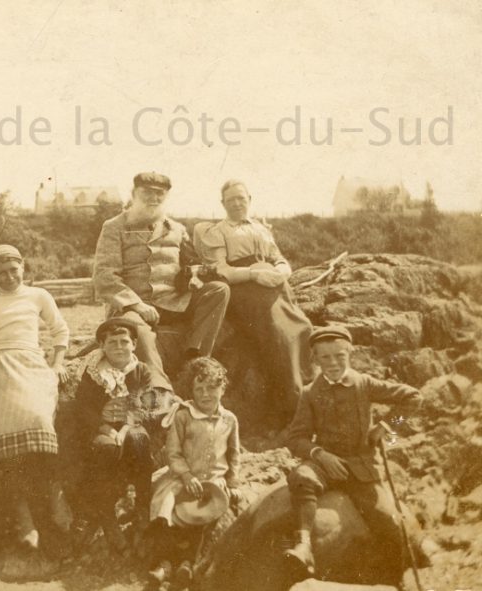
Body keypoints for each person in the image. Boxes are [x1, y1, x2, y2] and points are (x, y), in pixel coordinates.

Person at [284, 325, 421, 585]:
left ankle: (398, 578)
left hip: (361, 467)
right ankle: (303, 545)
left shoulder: (364, 383)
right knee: (301, 477)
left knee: (390, 524)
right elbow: (295, 438)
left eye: (340, 356)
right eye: (325, 357)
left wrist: (386, 426)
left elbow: (413, 397)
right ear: (315, 359)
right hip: (325, 465)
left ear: (350, 353)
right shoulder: (310, 393)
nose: (333, 363)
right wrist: (321, 455)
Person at [93, 172, 230, 395]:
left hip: (173, 302)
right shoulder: (114, 226)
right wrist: (137, 305)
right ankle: (160, 388)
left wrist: (195, 275)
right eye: (147, 192)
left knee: (219, 290)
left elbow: (191, 265)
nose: (154, 198)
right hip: (133, 306)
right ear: (134, 193)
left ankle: (196, 358)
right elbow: (104, 277)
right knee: (138, 331)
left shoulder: (177, 228)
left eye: (160, 194)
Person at [0, 244, 70, 550]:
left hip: (31, 363)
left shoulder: (39, 295)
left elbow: (60, 331)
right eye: (1, 272)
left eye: (14, 270)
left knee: (40, 421)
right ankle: (24, 518)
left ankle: (55, 496)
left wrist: (57, 364)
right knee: (3, 438)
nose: (9, 277)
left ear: (23, 267)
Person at [193, 179, 312, 425]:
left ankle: (310, 396)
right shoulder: (218, 231)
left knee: (303, 326)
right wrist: (254, 274)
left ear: (249, 200)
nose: (237, 204)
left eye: (241, 198)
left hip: (274, 285)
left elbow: (278, 258)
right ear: (223, 203)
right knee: (278, 332)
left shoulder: (260, 228)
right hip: (244, 288)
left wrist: (282, 271)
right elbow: (222, 270)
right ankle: (291, 407)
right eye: (231, 200)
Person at [147, 357, 241, 589]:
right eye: (199, 389)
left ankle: (187, 564)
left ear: (222, 388)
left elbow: (234, 454)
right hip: (182, 478)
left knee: (205, 516)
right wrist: (186, 475)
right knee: (167, 510)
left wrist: (233, 482)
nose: (205, 394)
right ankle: (164, 563)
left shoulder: (229, 420)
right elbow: (173, 453)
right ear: (191, 390)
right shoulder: (183, 416)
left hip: (213, 481)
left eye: (211, 388)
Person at [74, 317, 155, 555]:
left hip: (130, 425)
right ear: (102, 346)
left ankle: (142, 508)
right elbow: (84, 408)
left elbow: (143, 405)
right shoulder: (94, 373)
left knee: (139, 440)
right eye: (112, 343)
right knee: (106, 448)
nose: (119, 347)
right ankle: (107, 516)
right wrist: (106, 428)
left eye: (124, 342)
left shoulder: (141, 371)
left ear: (134, 344)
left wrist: (125, 428)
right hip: (101, 428)